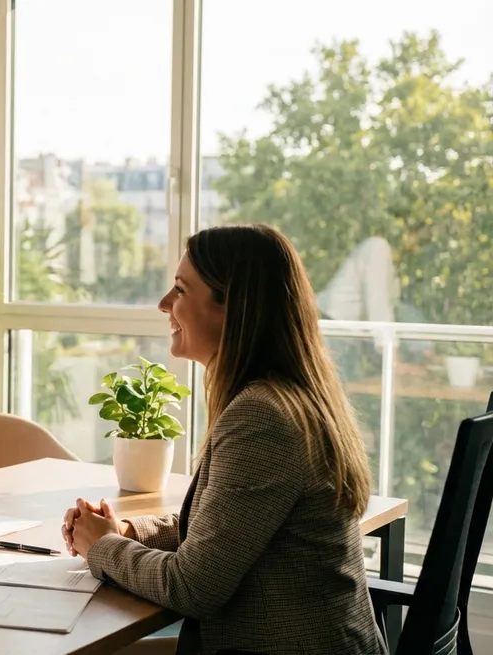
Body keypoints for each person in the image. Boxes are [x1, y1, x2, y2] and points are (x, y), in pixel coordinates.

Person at [62, 224, 385, 654]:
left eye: (180, 290)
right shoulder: (287, 396)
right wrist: (124, 530)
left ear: (233, 308)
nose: (164, 304)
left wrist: (103, 546)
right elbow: (218, 532)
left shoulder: (262, 416)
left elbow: (192, 587)